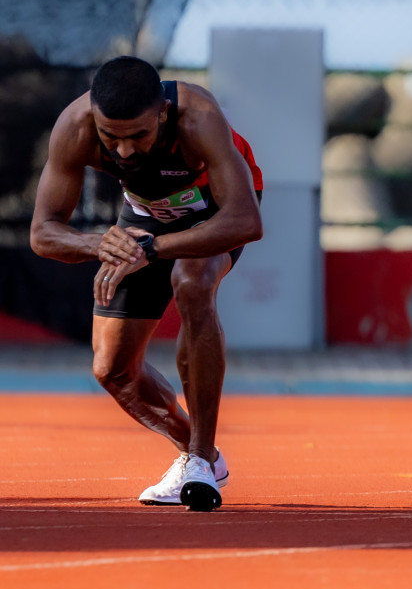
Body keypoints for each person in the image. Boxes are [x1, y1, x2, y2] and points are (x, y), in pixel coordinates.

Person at [31, 56, 263, 511]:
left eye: (137, 135)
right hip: (144, 214)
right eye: (110, 137)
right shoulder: (75, 126)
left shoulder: (199, 117)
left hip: (213, 209)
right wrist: (102, 244)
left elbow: (245, 219)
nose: (123, 152)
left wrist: (152, 250)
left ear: (161, 114)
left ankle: (197, 459)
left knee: (193, 281)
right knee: (113, 369)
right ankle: (203, 456)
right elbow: (43, 232)